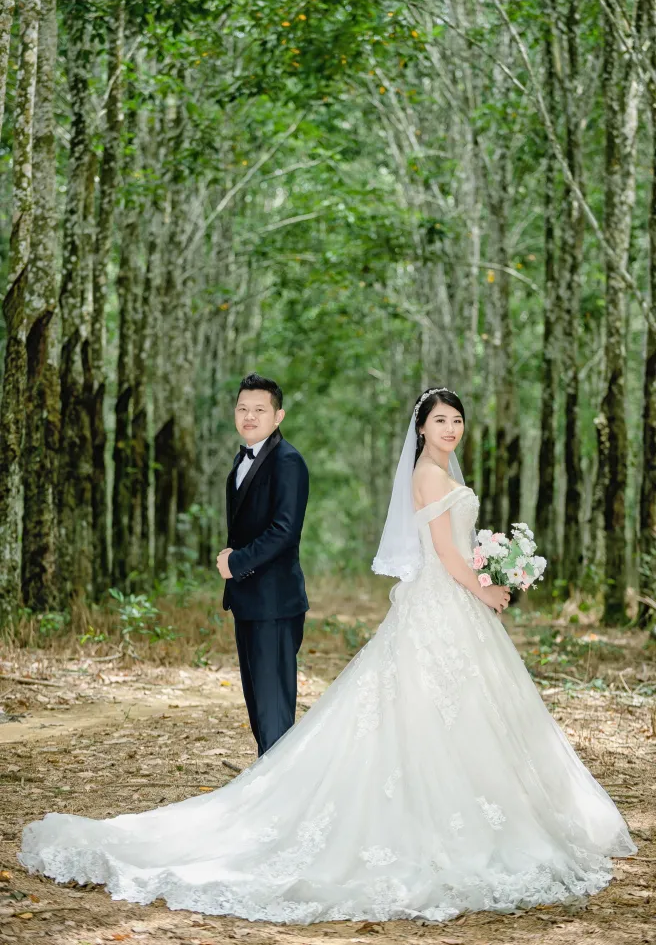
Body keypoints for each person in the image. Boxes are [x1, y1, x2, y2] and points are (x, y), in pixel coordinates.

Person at [19, 387, 636, 925]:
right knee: (422, 712)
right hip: (441, 601)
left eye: (456, 421)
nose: (450, 429)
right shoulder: (428, 474)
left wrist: (491, 570)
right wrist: (485, 587)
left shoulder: (445, 473)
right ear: (421, 429)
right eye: (440, 421)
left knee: (469, 713)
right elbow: (446, 555)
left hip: (453, 607)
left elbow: (461, 547)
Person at [216, 372, 310, 756]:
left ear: (278, 416)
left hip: (275, 602)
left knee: (274, 712)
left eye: (260, 409)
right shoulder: (241, 460)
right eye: (243, 409)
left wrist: (236, 562)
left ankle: (281, 787)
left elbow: (284, 531)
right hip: (248, 600)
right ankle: (270, 779)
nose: (249, 416)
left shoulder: (288, 462)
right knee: (258, 709)